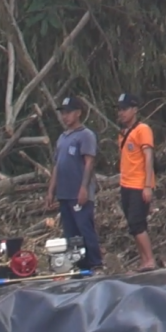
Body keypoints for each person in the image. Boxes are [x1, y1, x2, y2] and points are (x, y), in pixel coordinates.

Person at [45, 96, 103, 270]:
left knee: (84, 227)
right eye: (63, 113)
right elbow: (57, 165)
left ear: (78, 113)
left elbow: (89, 162)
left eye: (68, 112)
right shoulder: (62, 138)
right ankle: (80, 265)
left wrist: (84, 188)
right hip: (64, 192)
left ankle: (95, 263)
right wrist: (51, 190)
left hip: (79, 192)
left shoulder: (85, 135)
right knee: (71, 233)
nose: (65, 116)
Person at [116, 94, 157, 272]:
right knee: (132, 225)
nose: (121, 113)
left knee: (137, 222)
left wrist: (147, 185)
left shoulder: (143, 130)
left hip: (139, 184)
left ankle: (150, 259)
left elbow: (148, 157)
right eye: (119, 109)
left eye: (125, 109)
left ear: (134, 110)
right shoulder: (123, 133)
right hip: (126, 184)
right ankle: (143, 260)